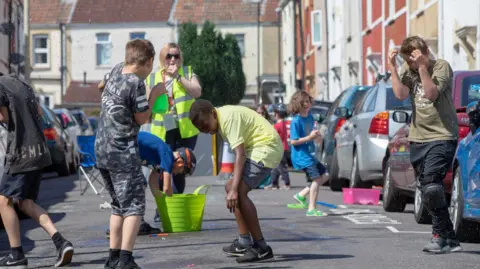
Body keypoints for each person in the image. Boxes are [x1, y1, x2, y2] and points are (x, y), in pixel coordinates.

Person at [95, 39, 166, 269]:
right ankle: (125, 259)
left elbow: (100, 86)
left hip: (102, 148)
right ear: (148, 61)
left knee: (118, 205)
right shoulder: (135, 83)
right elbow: (142, 118)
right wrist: (154, 94)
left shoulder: (116, 69)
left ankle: (113, 258)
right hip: (122, 151)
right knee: (134, 206)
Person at [389, 36, 462, 253]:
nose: (412, 63)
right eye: (409, 60)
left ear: (426, 51)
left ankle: (438, 236)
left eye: (415, 58)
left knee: (431, 183)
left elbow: (431, 94)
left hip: (442, 135)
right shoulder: (407, 69)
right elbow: (401, 94)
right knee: (428, 189)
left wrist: (422, 68)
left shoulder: (441, 66)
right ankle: (450, 238)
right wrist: (393, 67)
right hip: (418, 137)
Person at [189, 99, 283, 263]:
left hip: (266, 148)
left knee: (237, 191)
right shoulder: (221, 118)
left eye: (204, 125)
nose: (204, 130)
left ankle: (261, 247)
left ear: (213, 114)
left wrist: (234, 190)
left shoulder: (227, 119)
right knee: (230, 187)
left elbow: (240, 154)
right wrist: (231, 188)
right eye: (200, 129)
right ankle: (244, 242)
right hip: (259, 149)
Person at [0, 73, 74, 268]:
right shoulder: (20, 82)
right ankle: (61, 242)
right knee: (25, 203)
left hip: (21, 152)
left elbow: (4, 116)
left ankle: (16, 255)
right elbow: (40, 112)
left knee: (3, 201)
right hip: (39, 150)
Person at [144, 42, 201, 222]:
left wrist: (178, 77)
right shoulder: (152, 78)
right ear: (162, 58)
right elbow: (146, 103)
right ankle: (163, 208)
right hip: (162, 130)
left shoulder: (188, 72)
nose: (173, 59)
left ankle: (174, 206)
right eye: (169, 56)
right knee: (163, 167)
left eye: (176, 55)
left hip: (186, 130)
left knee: (180, 167)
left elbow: (197, 91)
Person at [289, 91, 329, 217]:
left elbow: (312, 136)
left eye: (308, 101)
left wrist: (317, 137)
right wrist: (309, 137)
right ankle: (312, 209)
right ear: (298, 104)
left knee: (325, 174)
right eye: (304, 102)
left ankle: (301, 195)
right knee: (316, 179)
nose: (307, 104)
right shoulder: (296, 121)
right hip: (301, 156)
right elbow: (293, 141)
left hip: (310, 154)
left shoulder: (311, 118)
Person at [137, 131, 196, 196]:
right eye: (181, 171)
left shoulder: (161, 160)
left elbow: (153, 182)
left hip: (130, 148)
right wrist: (170, 204)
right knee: (138, 184)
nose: (176, 173)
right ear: (180, 162)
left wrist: (160, 202)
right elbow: (167, 188)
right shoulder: (168, 156)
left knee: (139, 183)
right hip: (128, 144)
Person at [265, 103, 291, 190]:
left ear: (277, 114)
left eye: (274, 113)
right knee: (275, 168)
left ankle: (287, 184)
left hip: (279, 149)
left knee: (281, 167)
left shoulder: (276, 126)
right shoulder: (283, 124)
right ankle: (274, 183)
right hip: (284, 148)